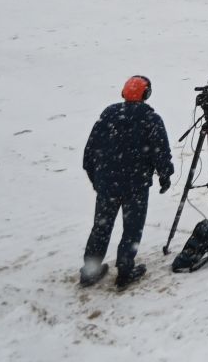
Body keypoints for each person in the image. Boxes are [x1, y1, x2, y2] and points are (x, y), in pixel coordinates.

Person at [80, 75, 173, 289]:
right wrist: (165, 176)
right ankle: (125, 270)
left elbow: (89, 154)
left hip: (107, 185)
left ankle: (90, 270)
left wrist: (98, 179)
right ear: (146, 94)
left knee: (101, 227)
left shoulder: (108, 115)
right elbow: (161, 153)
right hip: (136, 186)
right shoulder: (151, 120)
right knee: (132, 228)